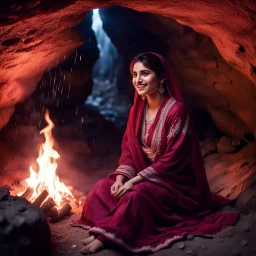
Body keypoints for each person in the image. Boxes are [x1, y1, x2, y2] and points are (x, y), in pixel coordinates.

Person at [72, 52, 239, 254]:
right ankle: (111, 226)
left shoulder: (176, 111)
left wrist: (135, 181)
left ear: (161, 77)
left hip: (173, 185)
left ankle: (107, 235)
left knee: (136, 196)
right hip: (144, 180)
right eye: (134, 74)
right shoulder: (137, 110)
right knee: (102, 188)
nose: (138, 80)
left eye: (145, 73)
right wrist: (121, 177)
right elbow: (129, 149)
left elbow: (174, 159)